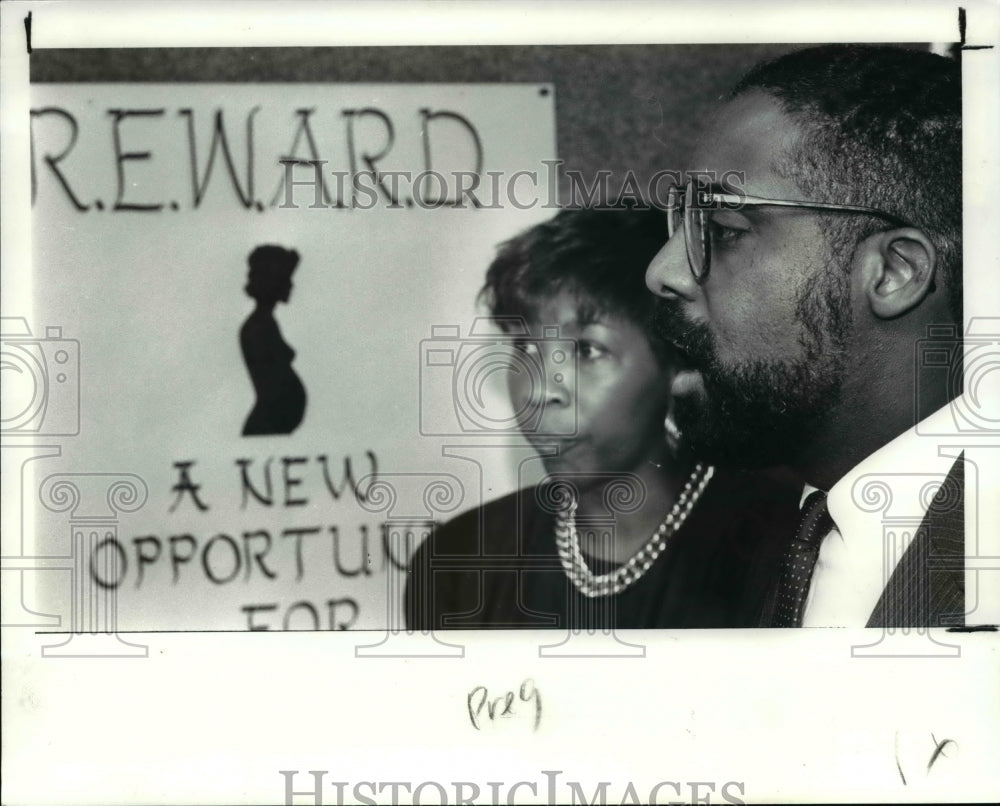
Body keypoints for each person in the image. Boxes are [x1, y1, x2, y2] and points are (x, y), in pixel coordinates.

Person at [645, 45, 964, 627]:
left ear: (894, 273)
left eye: (722, 228)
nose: (662, 272)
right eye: (681, 219)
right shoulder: (747, 542)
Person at [405, 207, 800, 631]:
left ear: (674, 361)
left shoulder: (777, 553)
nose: (539, 390)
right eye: (527, 347)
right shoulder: (460, 559)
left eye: (587, 350)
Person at [240, 245, 307, 436]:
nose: (291, 285)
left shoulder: (265, 322)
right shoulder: (258, 326)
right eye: (286, 279)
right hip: (267, 423)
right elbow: (272, 382)